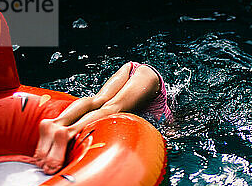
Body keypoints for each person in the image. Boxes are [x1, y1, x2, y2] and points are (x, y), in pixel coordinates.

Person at [34, 61, 173, 175]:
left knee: (97, 100)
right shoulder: (168, 121)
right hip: (151, 79)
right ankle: (69, 132)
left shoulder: (162, 107)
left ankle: (56, 123)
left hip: (134, 68)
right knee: (112, 108)